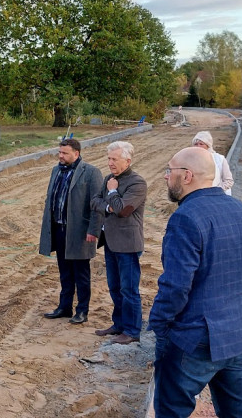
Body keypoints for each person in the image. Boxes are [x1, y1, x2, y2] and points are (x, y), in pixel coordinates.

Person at [149, 147, 242, 417]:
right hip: (237, 335)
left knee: (171, 410)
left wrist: (160, 325)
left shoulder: (185, 218)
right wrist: (230, 309)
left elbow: (176, 286)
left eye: (170, 170)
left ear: (187, 176)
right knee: (235, 412)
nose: (166, 177)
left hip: (192, 339)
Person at [39, 138, 103, 325]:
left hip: (80, 232)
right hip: (59, 229)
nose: (60, 156)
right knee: (64, 272)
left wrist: (94, 230)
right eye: (59, 152)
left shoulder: (91, 172)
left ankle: (82, 311)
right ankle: (64, 307)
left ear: (76, 153)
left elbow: (97, 206)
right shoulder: (56, 171)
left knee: (81, 274)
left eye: (64, 153)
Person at [90, 141, 147, 345]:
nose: (110, 163)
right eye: (109, 159)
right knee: (114, 286)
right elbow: (94, 201)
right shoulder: (108, 178)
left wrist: (113, 193)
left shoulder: (137, 183)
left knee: (129, 289)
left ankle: (132, 331)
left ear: (127, 160)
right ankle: (119, 324)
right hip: (111, 242)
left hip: (128, 245)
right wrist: (110, 206)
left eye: (114, 159)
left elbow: (124, 210)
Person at [191, 131, 234, 195]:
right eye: (196, 144)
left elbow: (229, 181)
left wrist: (214, 192)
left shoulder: (219, 159)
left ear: (208, 145)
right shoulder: (190, 160)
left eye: (201, 144)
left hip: (218, 197)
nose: (198, 147)